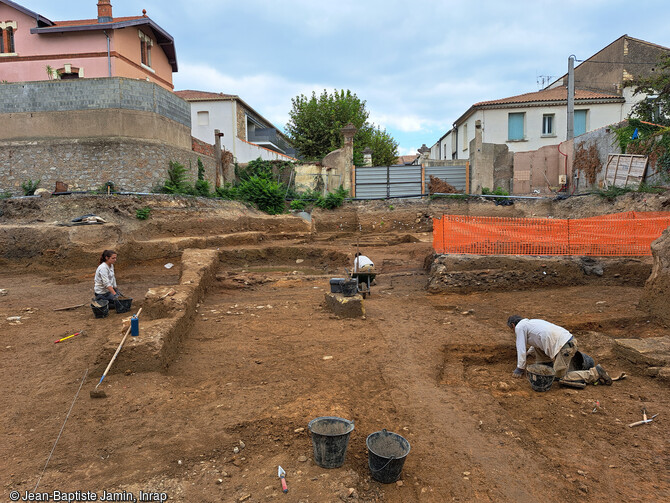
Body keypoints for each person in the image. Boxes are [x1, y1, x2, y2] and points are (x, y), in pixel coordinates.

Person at [507, 315, 612, 385]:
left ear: (513, 325)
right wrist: (529, 353)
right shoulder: (531, 323)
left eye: (511, 329)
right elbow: (537, 340)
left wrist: (520, 368)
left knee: (560, 378)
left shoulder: (519, 327)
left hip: (565, 348)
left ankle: (594, 373)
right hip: (567, 342)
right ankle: (546, 365)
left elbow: (520, 347)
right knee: (537, 347)